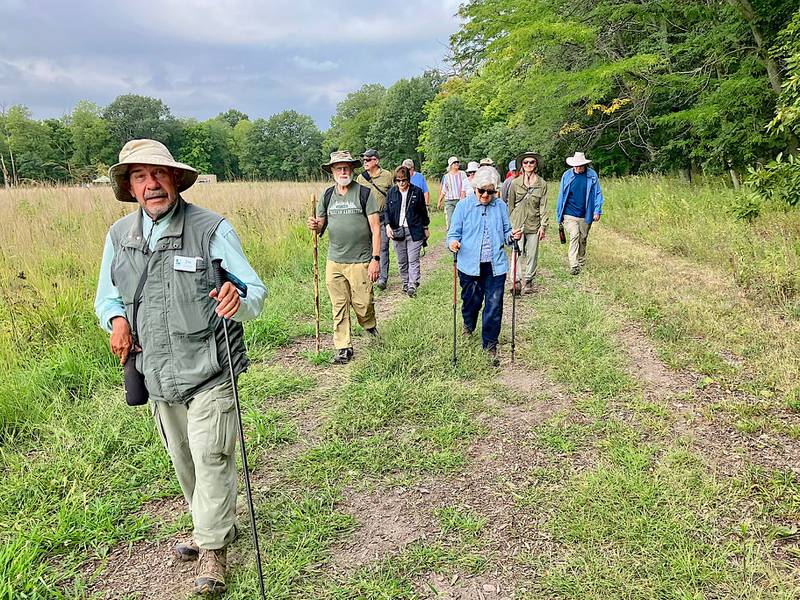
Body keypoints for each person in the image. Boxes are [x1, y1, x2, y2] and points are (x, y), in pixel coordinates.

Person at [94, 139, 267, 595]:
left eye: (159, 174)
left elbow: (255, 290)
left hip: (211, 369)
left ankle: (213, 549)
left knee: (212, 457)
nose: (151, 184)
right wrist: (115, 321)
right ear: (129, 188)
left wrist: (238, 299)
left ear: (176, 179)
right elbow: (107, 296)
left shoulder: (212, 229)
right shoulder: (119, 237)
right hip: (157, 373)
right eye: (139, 177)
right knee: (184, 460)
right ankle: (207, 524)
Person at [308, 151, 381, 364]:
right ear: (332, 171)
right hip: (335, 260)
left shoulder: (365, 194)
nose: (343, 171)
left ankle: (369, 323)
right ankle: (343, 347)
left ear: (352, 169)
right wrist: (314, 225)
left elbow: (376, 229)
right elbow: (321, 224)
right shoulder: (327, 196)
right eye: (338, 167)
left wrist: (375, 259)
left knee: (363, 303)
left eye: (346, 167)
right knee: (339, 305)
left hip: (361, 260)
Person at [447, 166, 522, 365]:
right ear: (475, 188)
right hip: (469, 264)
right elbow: (453, 234)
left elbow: (506, 234)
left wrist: (512, 236)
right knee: (471, 301)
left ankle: (490, 344)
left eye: (491, 191)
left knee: (494, 305)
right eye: (482, 191)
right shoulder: (463, 207)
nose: (486, 195)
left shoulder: (500, 207)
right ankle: (468, 323)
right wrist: (453, 243)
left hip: (495, 265)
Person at [384, 165, 430, 297]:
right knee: (402, 260)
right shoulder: (391, 192)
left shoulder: (417, 192)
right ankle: (405, 283)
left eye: (403, 180)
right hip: (397, 230)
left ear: (408, 179)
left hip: (414, 230)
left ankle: (412, 285)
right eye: (398, 180)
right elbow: (386, 211)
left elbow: (423, 212)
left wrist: (425, 227)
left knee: (413, 259)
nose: (401, 183)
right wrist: (387, 226)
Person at [555, 152, 604, 275]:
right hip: (569, 213)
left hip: (586, 213)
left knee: (583, 238)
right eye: (576, 166)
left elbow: (598, 193)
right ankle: (574, 264)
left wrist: (597, 211)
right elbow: (561, 195)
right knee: (574, 235)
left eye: (580, 165)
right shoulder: (567, 176)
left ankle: (581, 260)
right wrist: (559, 215)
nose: (578, 168)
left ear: (585, 165)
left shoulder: (592, 175)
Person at [507, 151, 548, 294]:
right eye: (526, 162)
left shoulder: (542, 184)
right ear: (522, 165)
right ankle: (516, 281)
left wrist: (543, 225)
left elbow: (543, 205)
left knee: (532, 253)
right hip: (517, 223)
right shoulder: (515, 183)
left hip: (534, 222)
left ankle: (529, 280)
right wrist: (510, 224)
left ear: (536, 164)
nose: (528, 165)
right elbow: (510, 205)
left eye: (531, 162)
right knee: (516, 251)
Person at [356, 149, 394, 290]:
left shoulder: (387, 176)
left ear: (376, 161)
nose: (364, 162)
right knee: (368, 247)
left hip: (382, 217)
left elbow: (392, 197)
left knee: (382, 247)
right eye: (364, 160)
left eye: (368, 160)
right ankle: (368, 274)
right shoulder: (361, 178)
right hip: (366, 218)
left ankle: (382, 278)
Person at [437, 156, 469, 229]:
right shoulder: (446, 176)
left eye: (457, 162)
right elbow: (444, 190)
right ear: (450, 165)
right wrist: (439, 201)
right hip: (450, 201)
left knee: (461, 219)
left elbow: (466, 186)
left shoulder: (462, 174)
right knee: (450, 220)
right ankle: (451, 236)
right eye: (454, 163)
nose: (457, 164)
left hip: (461, 200)